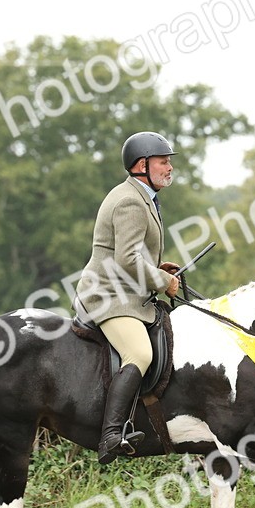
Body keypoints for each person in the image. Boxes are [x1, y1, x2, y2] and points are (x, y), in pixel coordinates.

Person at [75, 131, 181, 463]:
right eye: (163, 162)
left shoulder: (142, 195)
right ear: (141, 165)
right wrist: (162, 280)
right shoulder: (130, 201)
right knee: (139, 352)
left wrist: (157, 267)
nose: (169, 168)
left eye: (168, 162)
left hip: (128, 293)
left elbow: (135, 256)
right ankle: (110, 436)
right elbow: (127, 261)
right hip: (108, 295)